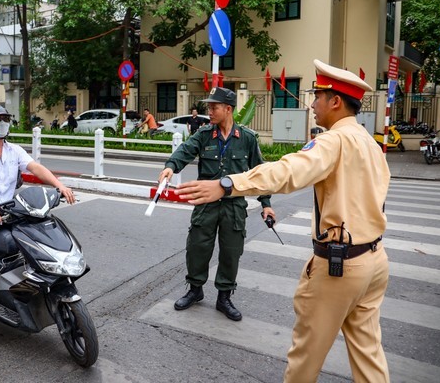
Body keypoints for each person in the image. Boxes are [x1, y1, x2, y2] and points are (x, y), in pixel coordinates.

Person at [176, 60, 391, 382]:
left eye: (317, 96)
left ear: (335, 101)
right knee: (369, 356)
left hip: (340, 267)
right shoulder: (369, 143)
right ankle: (198, 289)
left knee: (304, 361)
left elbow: (287, 171)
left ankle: (223, 293)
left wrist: (226, 184)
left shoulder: (333, 140)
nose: (312, 104)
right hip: (374, 261)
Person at [0, 105, 76, 366]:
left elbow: (35, 167)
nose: (2, 124)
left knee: (40, 239)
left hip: (10, 212)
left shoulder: (13, 150)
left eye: (5, 119)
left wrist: (59, 185)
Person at [158, 87, 275, 321]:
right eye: (208, 107)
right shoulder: (204, 134)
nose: (209, 111)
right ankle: (195, 290)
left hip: (233, 205)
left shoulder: (247, 139)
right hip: (206, 204)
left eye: (214, 107)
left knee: (231, 252)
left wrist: (266, 204)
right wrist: (170, 166)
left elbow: (259, 173)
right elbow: (185, 151)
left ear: (228, 109)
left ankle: (224, 297)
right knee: (197, 247)